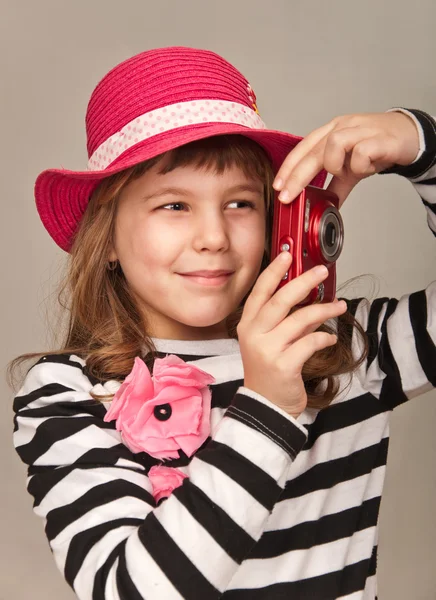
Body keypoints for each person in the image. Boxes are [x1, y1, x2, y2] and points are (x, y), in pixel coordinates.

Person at [8, 46, 435, 600]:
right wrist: (268, 409)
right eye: (174, 206)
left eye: (240, 204)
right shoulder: (69, 393)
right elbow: (131, 591)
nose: (213, 236)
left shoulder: (343, 344)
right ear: (107, 237)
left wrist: (424, 151)